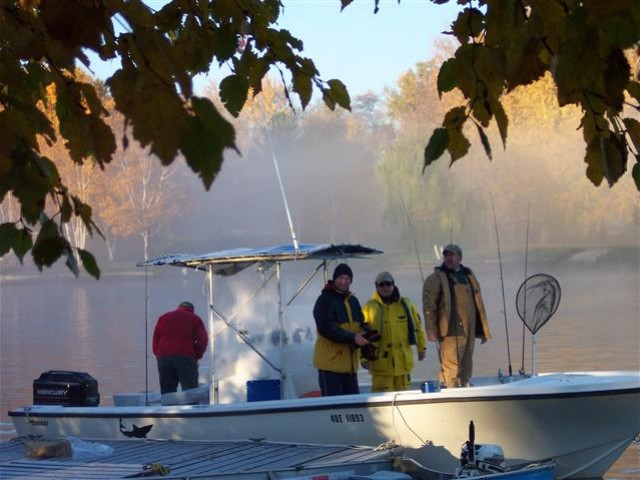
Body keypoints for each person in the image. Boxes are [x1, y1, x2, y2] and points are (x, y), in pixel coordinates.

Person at [422, 244, 491, 388]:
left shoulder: (469, 275)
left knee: (467, 363)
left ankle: (464, 388)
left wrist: (484, 330)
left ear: (460, 257)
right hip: (450, 330)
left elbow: (479, 303)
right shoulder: (436, 278)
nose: (449, 258)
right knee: (451, 365)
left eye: (452, 255)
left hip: (469, 329)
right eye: (446, 255)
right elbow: (429, 306)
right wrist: (431, 331)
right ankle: (450, 390)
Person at [362, 271, 427, 393]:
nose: (385, 287)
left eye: (388, 284)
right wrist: (362, 358)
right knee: (382, 401)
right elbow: (360, 334)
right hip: (381, 365)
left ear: (393, 285)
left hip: (403, 363)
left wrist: (421, 348)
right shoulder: (369, 307)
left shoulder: (406, 304)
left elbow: (417, 327)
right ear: (376, 286)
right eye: (381, 285)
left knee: (405, 399)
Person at [313, 263, 371, 396]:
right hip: (330, 367)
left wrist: (367, 332)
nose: (344, 281)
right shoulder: (324, 300)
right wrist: (353, 337)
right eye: (341, 278)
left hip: (350, 367)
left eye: (347, 278)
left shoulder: (353, 301)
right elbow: (326, 328)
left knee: (352, 408)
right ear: (334, 279)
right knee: (333, 409)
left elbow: (361, 322)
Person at [152, 301, 208, 394]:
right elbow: (203, 340)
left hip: (164, 357)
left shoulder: (163, 318)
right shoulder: (195, 319)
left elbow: (155, 340)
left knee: (167, 392)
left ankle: (167, 407)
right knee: (190, 391)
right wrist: (196, 355)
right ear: (192, 310)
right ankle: (191, 407)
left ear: (178, 307)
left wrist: (159, 355)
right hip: (185, 356)